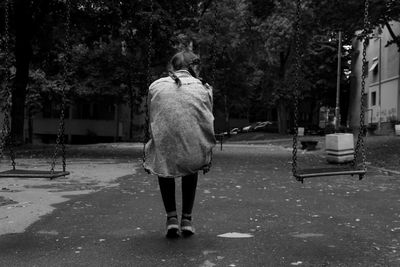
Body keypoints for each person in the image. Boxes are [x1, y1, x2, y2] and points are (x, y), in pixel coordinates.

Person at [143, 50, 216, 238]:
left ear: (172, 67)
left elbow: (152, 118)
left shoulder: (155, 86)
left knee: (164, 161)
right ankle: (187, 220)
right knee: (191, 164)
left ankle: (171, 218)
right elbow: (207, 121)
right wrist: (207, 154)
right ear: (195, 67)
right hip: (192, 146)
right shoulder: (204, 88)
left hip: (164, 143)